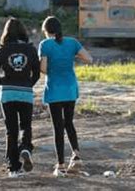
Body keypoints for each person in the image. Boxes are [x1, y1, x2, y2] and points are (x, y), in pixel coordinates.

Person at [38, 16, 93, 177]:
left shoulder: (45, 44)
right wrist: (72, 57)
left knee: (58, 127)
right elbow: (89, 59)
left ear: (47, 31)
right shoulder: (72, 42)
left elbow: (43, 69)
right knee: (69, 122)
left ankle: (61, 165)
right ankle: (76, 155)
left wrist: (54, 67)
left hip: (55, 89)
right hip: (70, 88)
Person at [0, 18, 40, 178]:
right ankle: (25, 147)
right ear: (23, 32)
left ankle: (13, 168)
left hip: (8, 94)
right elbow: (37, 74)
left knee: (11, 131)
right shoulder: (31, 50)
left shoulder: (1, 50)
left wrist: (6, 83)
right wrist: (27, 84)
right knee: (26, 126)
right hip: (25, 92)